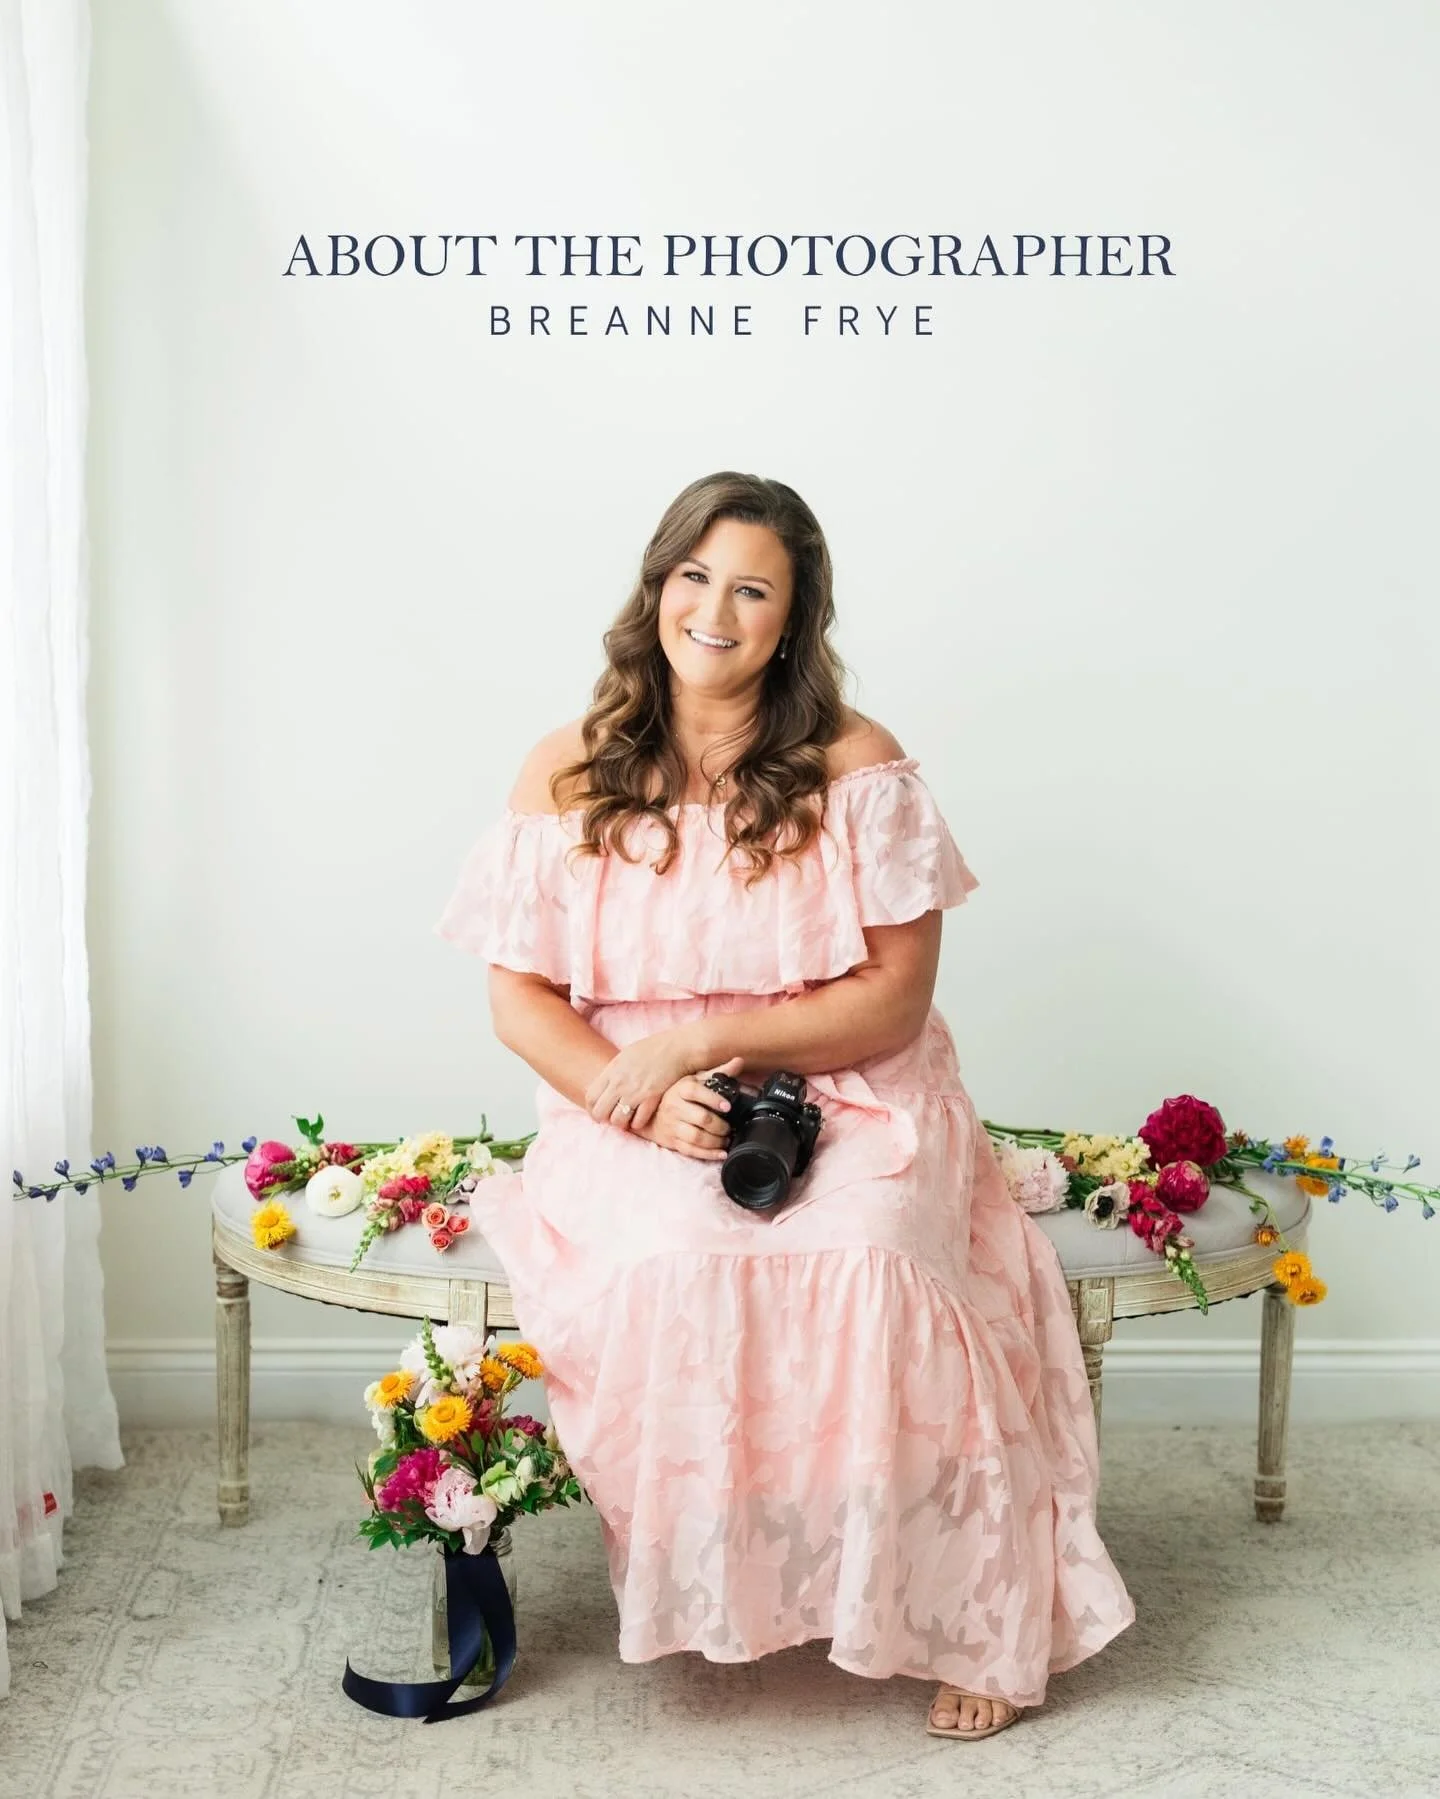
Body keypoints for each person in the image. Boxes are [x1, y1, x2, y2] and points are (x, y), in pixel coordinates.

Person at [435, 469, 1136, 1742]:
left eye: (753, 587)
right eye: (694, 576)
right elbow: (520, 1001)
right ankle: (743, 1574)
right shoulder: (569, 769)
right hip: (627, 1098)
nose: (716, 608)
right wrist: (635, 1099)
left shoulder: (859, 766)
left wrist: (713, 1036)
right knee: (673, 1263)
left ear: (795, 616)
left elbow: (893, 1003)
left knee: (870, 1263)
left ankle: (973, 1615)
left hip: (854, 1084)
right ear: (656, 588)